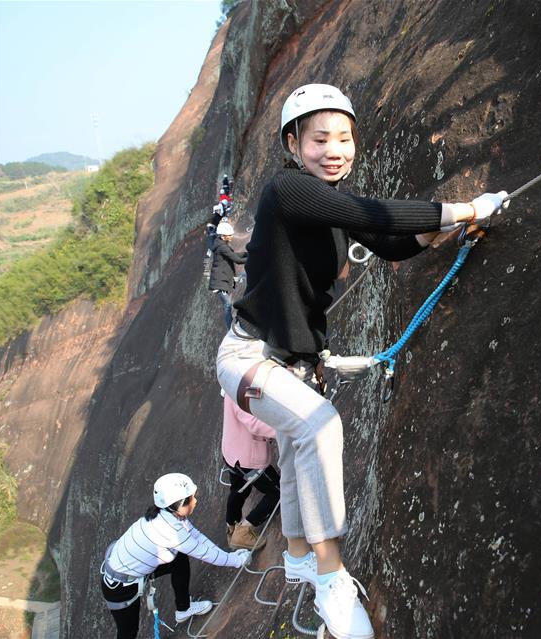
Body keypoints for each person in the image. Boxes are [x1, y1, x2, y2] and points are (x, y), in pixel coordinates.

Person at [215, 83, 507, 639]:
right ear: (292, 143)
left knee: (302, 449)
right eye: (320, 138)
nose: (335, 149)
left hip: (294, 365)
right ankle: (331, 578)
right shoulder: (288, 191)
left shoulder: (330, 202)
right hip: (248, 355)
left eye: (344, 138)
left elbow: (393, 242)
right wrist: (465, 205)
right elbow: (368, 211)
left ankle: (300, 555)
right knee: (319, 427)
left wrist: (451, 228)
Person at [100, 473, 250, 639]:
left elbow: (196, 536)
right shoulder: (171, 532)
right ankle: (183, 608)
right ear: (179, 505)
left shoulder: (167, 514)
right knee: (128, 633)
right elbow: (205, 553)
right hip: (120, 587)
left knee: (178, 560)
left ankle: (183, 608)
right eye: (191, 498)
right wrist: (237, 561)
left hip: (127, 568)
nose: (195, 501)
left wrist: (232, 557)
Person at [222, 393, 280, 550]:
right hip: (249, 459)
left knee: (239, 489)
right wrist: (284, 429)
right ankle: (244, 530)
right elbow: (254, 422)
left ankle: (232, 525)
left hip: (232, 452)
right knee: (278, 493)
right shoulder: (243, 389)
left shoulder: (232, 382)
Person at [208, 220, 248, 329]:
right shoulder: (222, 247)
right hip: (220, 282)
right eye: (229, 235)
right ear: (223, 236)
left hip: (221, 281)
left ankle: (231, 326)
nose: (231, 236)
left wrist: (246, 253)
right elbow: (237, 260)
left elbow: (233, 255)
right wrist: (251, 257)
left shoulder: (221, 245)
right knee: (227, 306)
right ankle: (230, 328)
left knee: (228, 306)